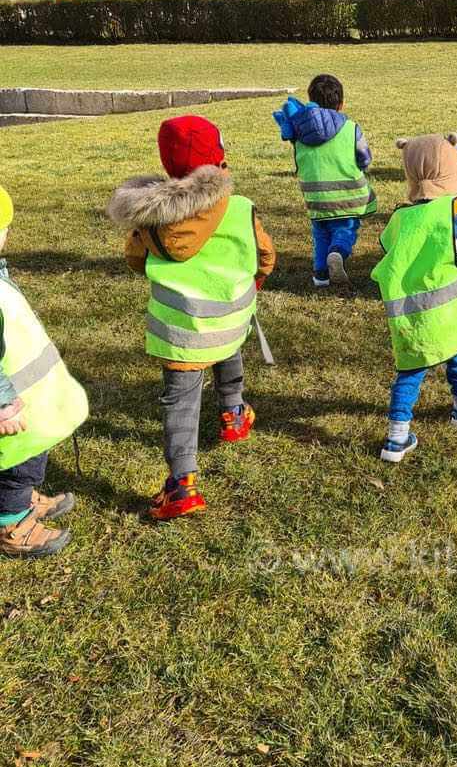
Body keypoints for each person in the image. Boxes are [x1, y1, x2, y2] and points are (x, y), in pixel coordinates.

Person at [107, 115, 276, 519]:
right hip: (230, 316)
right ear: (218, 161)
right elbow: (264, 254)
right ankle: (233, 414)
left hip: (179, 331)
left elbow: (134, 259)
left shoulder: (151, 217)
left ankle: (182, 484)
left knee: (180, 400)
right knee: (227, 349)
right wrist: (257, 280)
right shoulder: (239, 207)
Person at [371, 134, 457, 464]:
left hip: (414, 317)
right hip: (454, 316)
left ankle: (396, 437)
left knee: (409, 373)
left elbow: (388, 248)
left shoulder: (401, 218)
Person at [0, 185, 88, 558]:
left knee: (29, 455)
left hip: (25, 397)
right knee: (17, 462)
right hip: (11, 407)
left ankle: (21, 500)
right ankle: (12, 523)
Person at [273, 74, 375, 287]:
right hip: (348, 196)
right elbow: (364, 157)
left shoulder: (299, 131)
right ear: (341, 103)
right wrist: (362, 166)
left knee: (320, 234)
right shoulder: (350, 128)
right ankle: (338, 252)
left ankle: (321, 276)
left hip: (316, 197)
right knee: (345, 229)